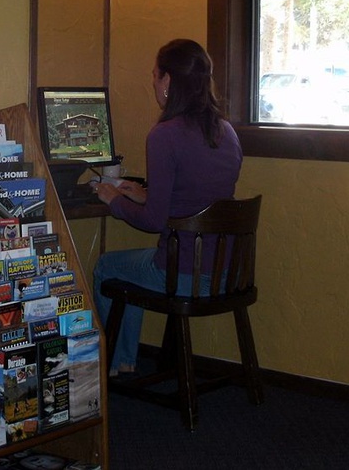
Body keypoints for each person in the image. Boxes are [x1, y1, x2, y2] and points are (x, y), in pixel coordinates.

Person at [92, 38, 243, 377]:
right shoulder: (227, 131)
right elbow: (196, 198)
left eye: (155, 74)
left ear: (168, 81)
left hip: (184, 274)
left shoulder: (165, 135)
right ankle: (126, 360)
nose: (152, 81)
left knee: (107, 267)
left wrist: (114, 200)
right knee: (130, 266)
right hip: (225, 274)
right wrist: (145, 194)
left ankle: (118, 362)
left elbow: (154, 221)